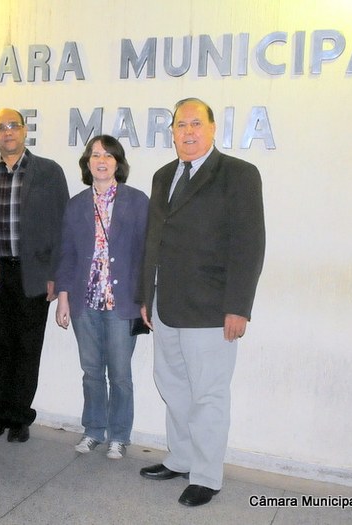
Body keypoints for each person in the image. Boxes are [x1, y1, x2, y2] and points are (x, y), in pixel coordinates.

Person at [138, 98, 266, 507]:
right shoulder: (162, 176)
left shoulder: (239, 175)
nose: (188, 132)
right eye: (180, 125)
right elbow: (154, 241)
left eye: (196, 123)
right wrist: (146, 295)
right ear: (172, 131)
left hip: (212, 309)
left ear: (213, 129)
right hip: (166, 306)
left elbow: (249, 245)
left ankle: (207, 476)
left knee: (208, 395)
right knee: (172, 387)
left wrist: (239, 306)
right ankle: (180, 458)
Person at [0, 108, 69, 443]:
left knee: (27, 346)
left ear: (25, 131)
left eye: (13, 126)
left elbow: (62, 226)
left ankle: (21, 417)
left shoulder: (49, 171)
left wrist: (57, 274)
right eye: (0, 127)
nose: (7, 132)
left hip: (34, 274)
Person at [55, 135, 149, 460]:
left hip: (121, 303)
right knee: (92, 371)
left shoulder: (137, 201)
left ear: (118, 163)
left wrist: (147, 299)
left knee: (120, 374)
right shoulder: (76, 204)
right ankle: (94, 430)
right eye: (95, 154)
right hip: (85, 302)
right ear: (87, 162)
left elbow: (147, 254)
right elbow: (66, 255)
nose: (102, 160)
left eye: (108, 155)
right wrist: (63, 299)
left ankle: (119, 435)